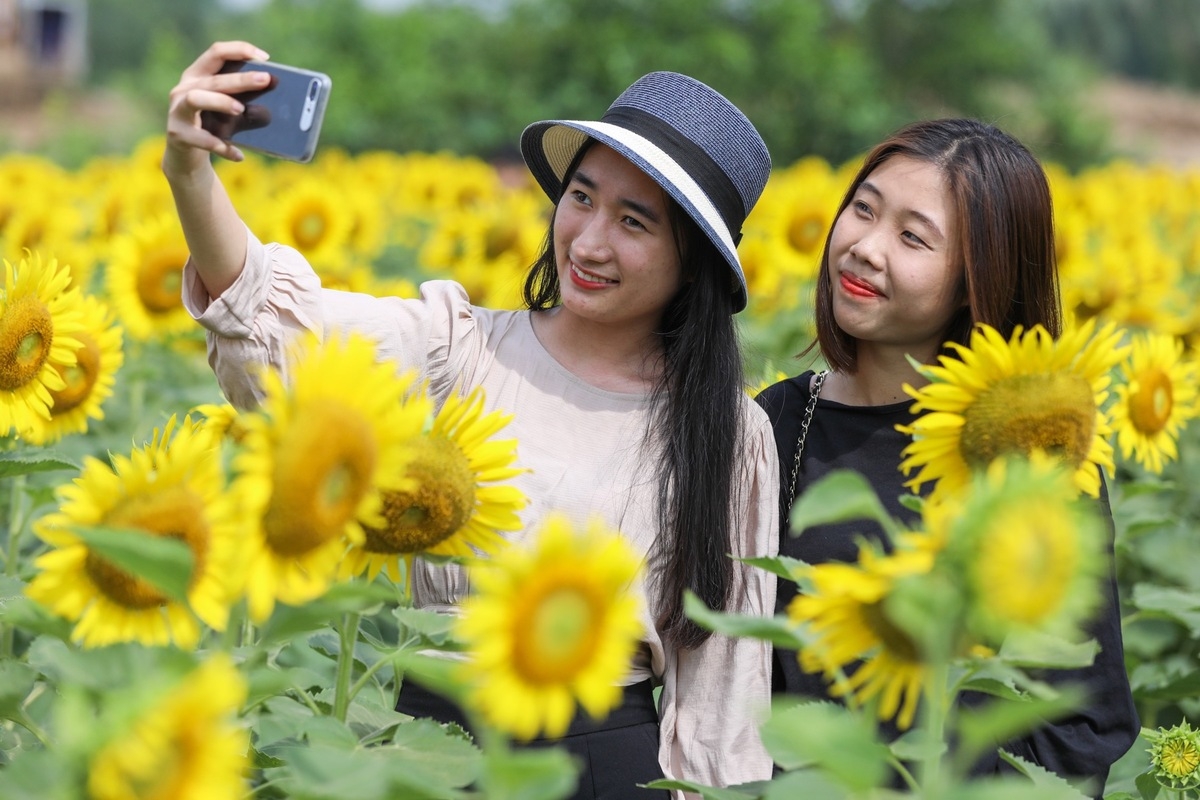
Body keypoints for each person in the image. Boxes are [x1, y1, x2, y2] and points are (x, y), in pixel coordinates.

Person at [164, 41, 778, 798]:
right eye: (581, 198)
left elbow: (721, 689)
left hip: (599, 764)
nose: (588, 241)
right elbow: (281, 331)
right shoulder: (459, 346)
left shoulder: (726, 433)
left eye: (635, 222)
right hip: (431, 749)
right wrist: (189, 173)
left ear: (694, 261)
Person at [753, 118, 1139, 794]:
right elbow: (737, 679)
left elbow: (1082, 714)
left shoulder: (1032, 445)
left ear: (974, 279)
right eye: (863, 209)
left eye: (912, 236)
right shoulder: (778, 423)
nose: (865, 248)